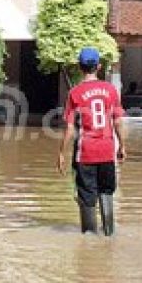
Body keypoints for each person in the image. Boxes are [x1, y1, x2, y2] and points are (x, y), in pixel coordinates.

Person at [57, 46, 125, 236]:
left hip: (85, 154)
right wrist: (122, 147)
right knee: (106, 192)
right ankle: (109, 234)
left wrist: (62, 153)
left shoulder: (75, 93)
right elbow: (118, 121)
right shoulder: (111, 90)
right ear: (99, 66)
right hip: (107, 150)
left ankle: (89, 239)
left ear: (80, 67)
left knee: (87, 197)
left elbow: (70, 129)